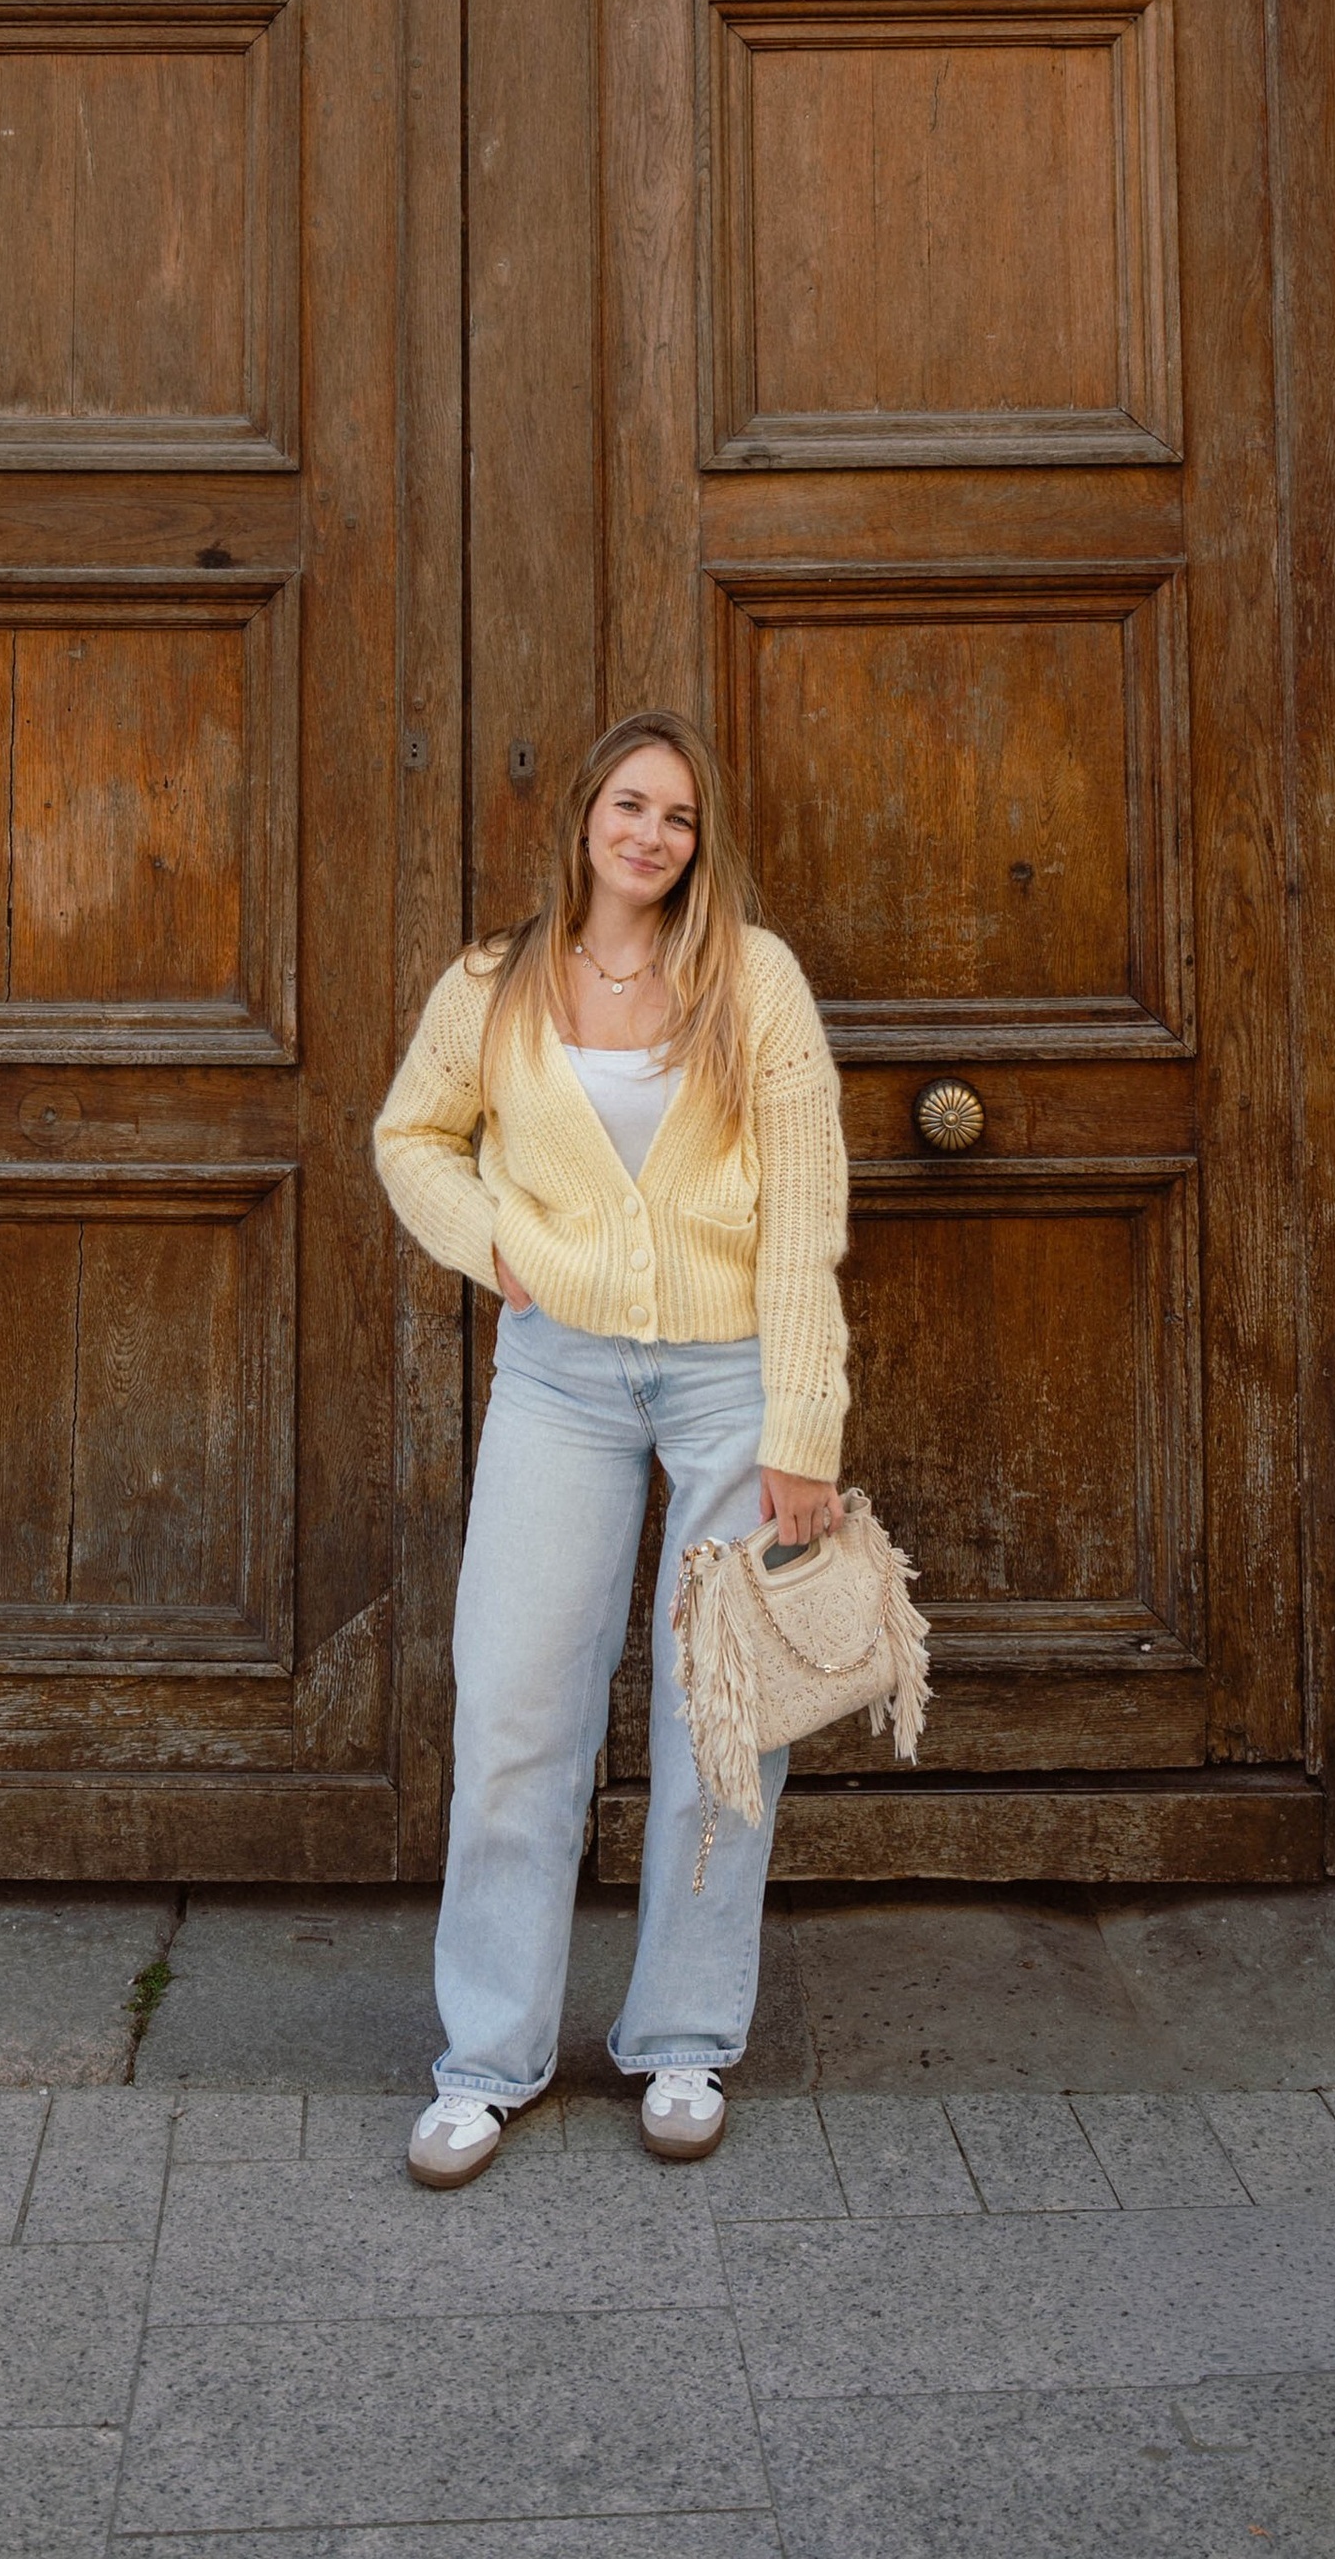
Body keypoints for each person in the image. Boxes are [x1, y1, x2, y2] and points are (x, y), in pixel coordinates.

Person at [373, 708, 849, 2186]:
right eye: (632, 805)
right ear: (586, 814)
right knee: (517, 1704)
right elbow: (409, 1137)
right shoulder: (493, 984)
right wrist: (495, 1241)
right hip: (560, 1377)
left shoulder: (751, 979)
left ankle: (686, 2036)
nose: (652, 834)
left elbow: (804, 1208)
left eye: (680, 817)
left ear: (702, 844)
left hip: (727, 1380)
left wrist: (803, 1424)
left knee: (723, 1713)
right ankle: (487, 2059)